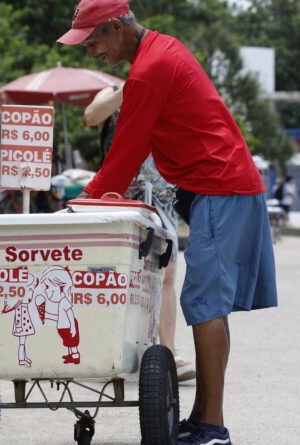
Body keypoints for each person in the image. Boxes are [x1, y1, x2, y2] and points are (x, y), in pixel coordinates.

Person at [58, 1, 278, 443]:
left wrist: (77, 208)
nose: (90, 51)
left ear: (117, 28)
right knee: (208, 306)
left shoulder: (149, 68)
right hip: (222, 187)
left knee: (205, 304)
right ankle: (203, 417)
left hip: (220, 187)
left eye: (94, 40)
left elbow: (125, 154)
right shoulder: (159, 51)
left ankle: (212, 428)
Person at [83, 83, 195, 382]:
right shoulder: (112, 91)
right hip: (119, 194)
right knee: (114, 272)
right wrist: (129, 88)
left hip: (159, 196)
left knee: (167, 271)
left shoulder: (166, 96)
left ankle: (167, 350)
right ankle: (108, 348)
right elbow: (92, 116)